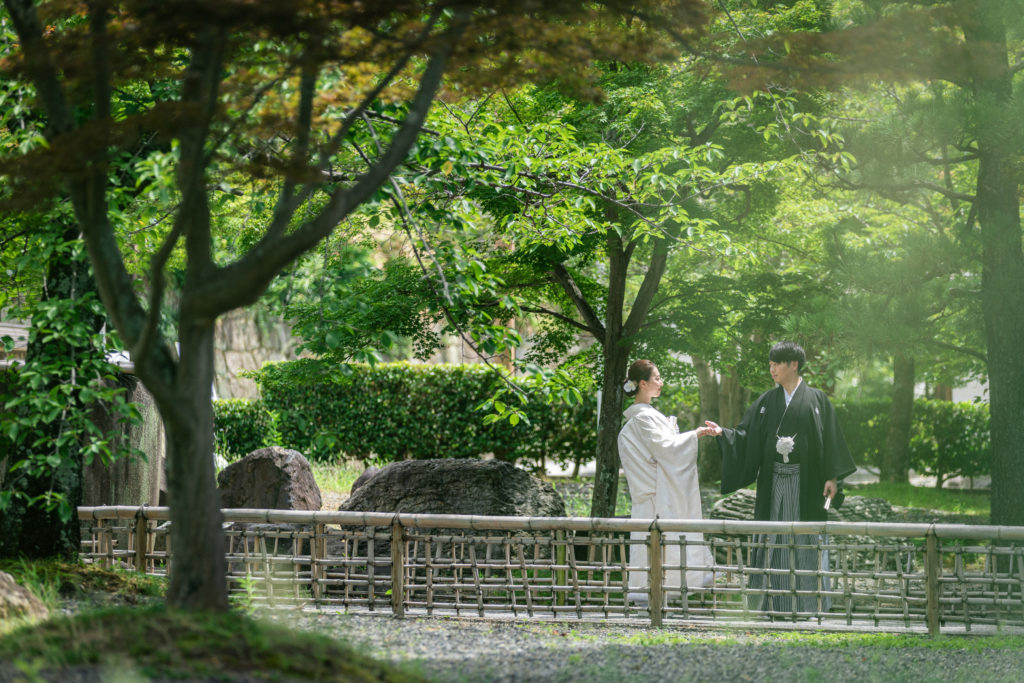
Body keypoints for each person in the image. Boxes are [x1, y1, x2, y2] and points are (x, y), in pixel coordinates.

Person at [703, 341, 856, 617]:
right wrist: (723, 433)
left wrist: (833, 477)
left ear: (793, 365)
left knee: (805, 540)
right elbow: (746, 435)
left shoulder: (817, 400)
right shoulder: (766, 402)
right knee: (772, 537)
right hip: (773, 482)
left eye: (777, 363)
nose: (772, 368)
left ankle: (808, 604)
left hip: (807, 483)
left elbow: (831, 439)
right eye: (771, 363)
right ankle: (771, 604)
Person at [617, 359, 718, 605]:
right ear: (642, 383)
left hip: (652, 495)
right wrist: (694, 434)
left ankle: (657, 606)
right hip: (655, 497)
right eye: (657, 378)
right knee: (655, 550)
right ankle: (652, 606)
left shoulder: (645, 417)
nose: (661, 383)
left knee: (656, 550)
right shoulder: (643, 418)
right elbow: (667, 449)